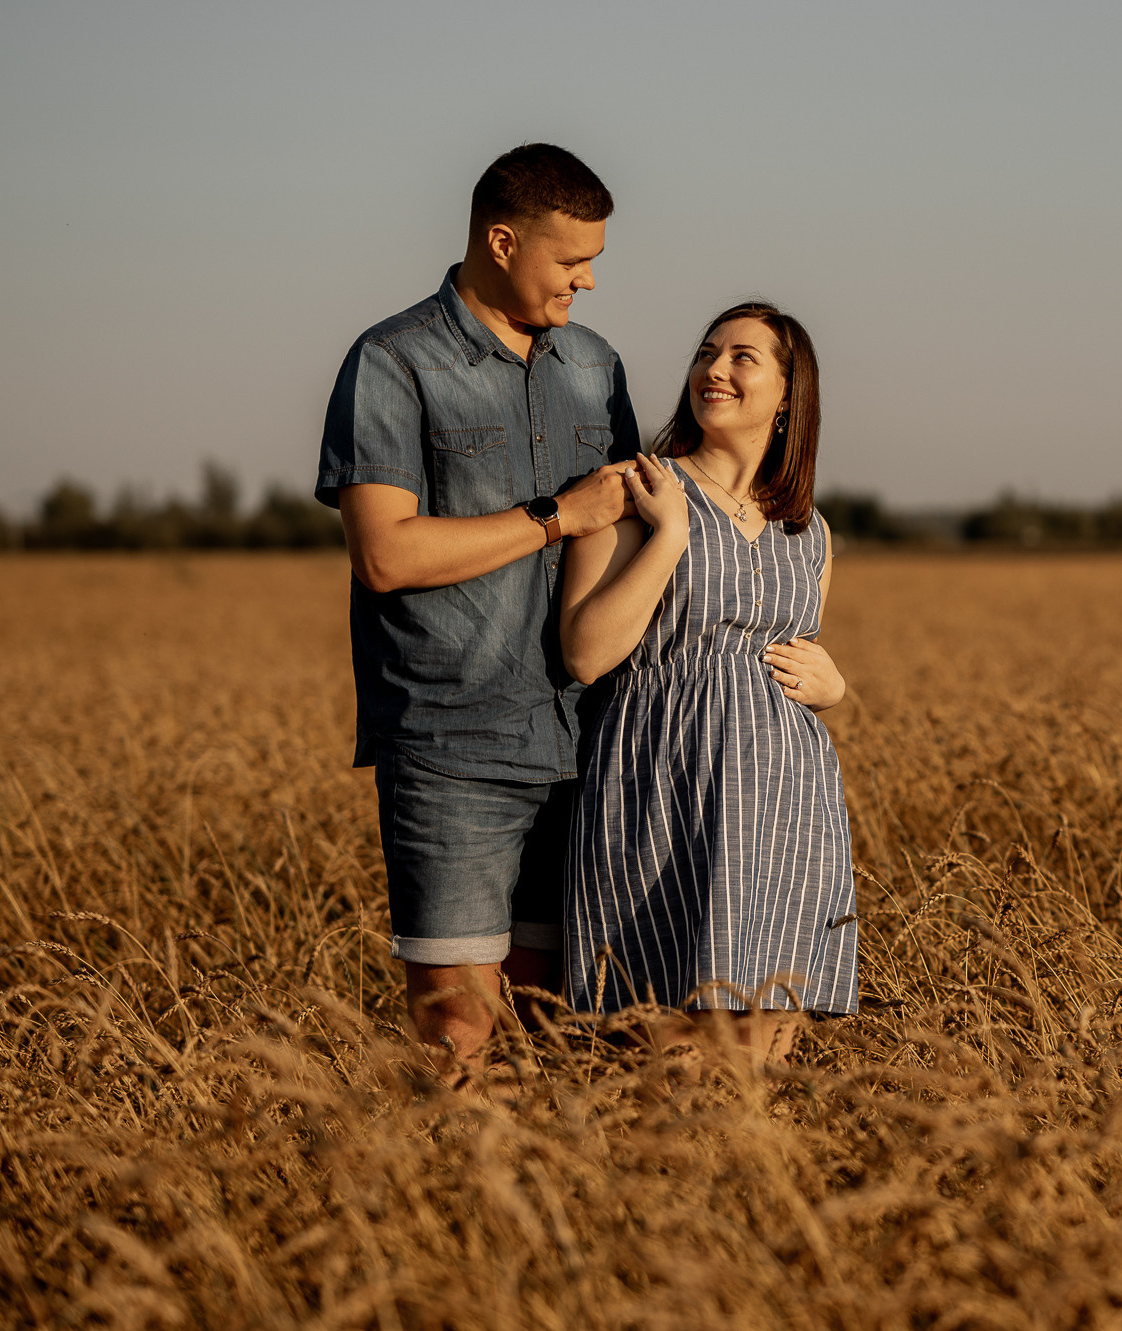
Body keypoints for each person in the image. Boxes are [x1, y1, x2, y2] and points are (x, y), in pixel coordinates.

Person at [314, 143, 639, 1073]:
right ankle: (445, 1208)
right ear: (502, 241)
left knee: (559, 1024)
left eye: (595, 263)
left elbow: (623, 531)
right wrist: (554, 516)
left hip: (587, 744)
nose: (586, 280)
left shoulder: (596, 365)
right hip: (451, 746)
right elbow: (385, 553)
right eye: (570, 260)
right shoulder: (391, 360)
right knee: (459, 1031)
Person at [558, 301, 857, 1066]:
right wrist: (670, 537)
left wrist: (834, 689)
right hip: (662, 788)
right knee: (660, 1041)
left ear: (790, 395)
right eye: (706, 351)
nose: (714, 370)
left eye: (742, 357)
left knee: (764, 1047)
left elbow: (800, 652)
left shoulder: (810, 531)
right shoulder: (632, 491)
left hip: (786, 808)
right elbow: (586, 653)